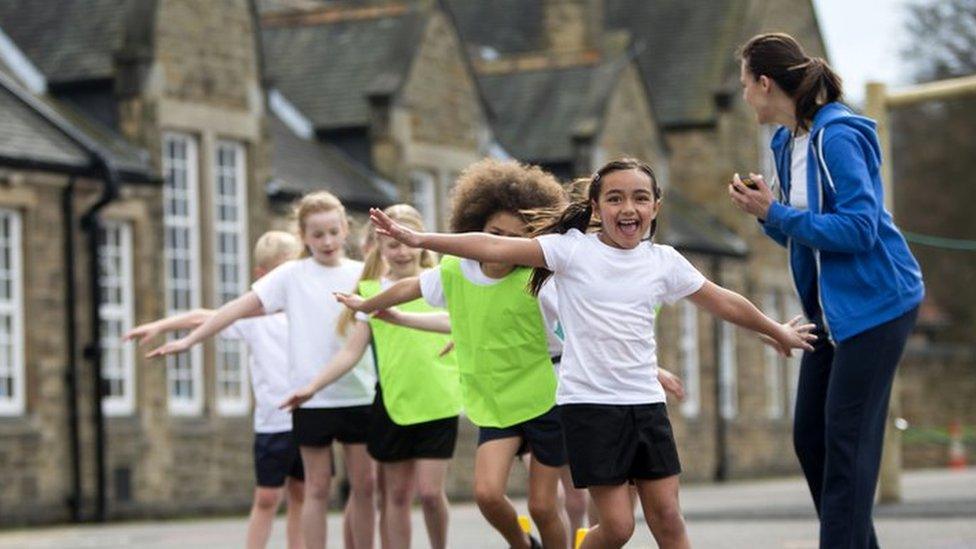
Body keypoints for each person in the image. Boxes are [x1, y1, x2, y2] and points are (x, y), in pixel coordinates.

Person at [364, 157, 816, 549]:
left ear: (655, 207)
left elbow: (722, 299)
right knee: (616, 528)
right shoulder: (570, 252)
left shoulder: (665, 262)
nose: (628, 208)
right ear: (597, 208)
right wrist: (423, 241)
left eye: (640, 198)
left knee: (668, 519)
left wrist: (773, 327)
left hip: (645, 406)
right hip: (590, 407)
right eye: (615, 198)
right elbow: (494, 245)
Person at [731, 32, 925, 549]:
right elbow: (799, 230)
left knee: (846, 443)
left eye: (745, 83)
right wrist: (765, 212)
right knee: (811, 439)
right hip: (827, 310)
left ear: (765, 83)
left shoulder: (837, 136)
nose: (743, 93)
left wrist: (777, 212)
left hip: (877, 305)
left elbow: (859, 229)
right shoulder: (783, 141)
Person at [148, 191, 378, 549]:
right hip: (310, 401)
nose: (327, 241)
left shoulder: (363, 274)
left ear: (346, 229)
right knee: (317, 489)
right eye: (317, 235)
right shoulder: (290, 275)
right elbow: (235, 308)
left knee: (365, 487)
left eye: (333, 231)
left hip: (359, 394)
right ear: (303, 236)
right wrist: (189, 340)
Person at [281, 204, 460, 549]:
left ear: (419, 241)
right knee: (396, 495)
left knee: (430, 493)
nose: (401, 251)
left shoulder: (442, 282)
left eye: (405, 242)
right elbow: (351, 351)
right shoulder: (369, 291)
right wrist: (313, 387)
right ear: (379, 246)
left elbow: (464, 324)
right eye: (391, 244)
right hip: (393, 403)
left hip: (439, 401)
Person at [126, 231, 306, 549]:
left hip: (309, 419)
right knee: (267, 497)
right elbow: (204, 317)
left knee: (303, 497)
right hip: (272, 423)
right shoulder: (253, 319)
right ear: (262, 277)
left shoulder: (307, 312)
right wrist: (161, 326)